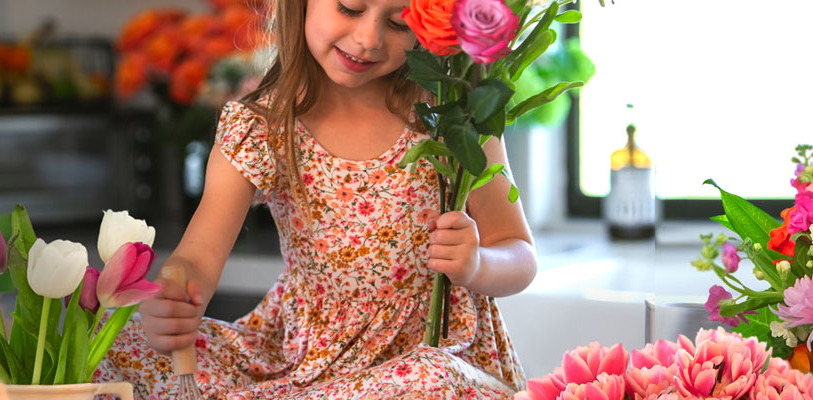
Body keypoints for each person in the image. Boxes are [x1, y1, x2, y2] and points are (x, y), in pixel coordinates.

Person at [94, 0, 537, 397]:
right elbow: (195, 261)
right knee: (115, 348)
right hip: (298, 362)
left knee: (431, 379)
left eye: (398, 22)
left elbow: (520, 255)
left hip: (422, 366)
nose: (368, 39)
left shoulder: (454, 118)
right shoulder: (263, 126)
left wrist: (479, 264)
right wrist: (174, 300)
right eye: (348, 8)